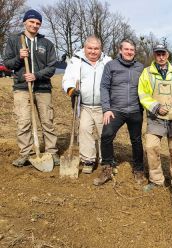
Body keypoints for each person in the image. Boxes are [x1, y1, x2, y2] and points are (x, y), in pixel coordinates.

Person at [3, 9, 59, 167]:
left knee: (47, 121)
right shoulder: (14, 40)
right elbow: (7, 64)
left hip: (43, 88)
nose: (35, 25)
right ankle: (25, 153)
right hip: (21, 87)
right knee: (24, 122)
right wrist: (19, 58)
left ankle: (52, 152)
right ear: (25, 22)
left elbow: (52, 67)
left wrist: (36, 75)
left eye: (38, 23)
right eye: (32, 22)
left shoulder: (47, 44)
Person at [138, 44, 172, 192]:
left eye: (163, 54)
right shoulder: (147, 73)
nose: (161, 57)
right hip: (156, 117)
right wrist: (155, 107)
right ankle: (156, 180)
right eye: (158, 54)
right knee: (151, 147)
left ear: (167, 55)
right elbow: (142, 93)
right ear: (154, 55)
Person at [94, 39, 144, 186]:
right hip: (115, 110)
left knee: (136, 140)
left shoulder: (140, 67)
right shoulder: (111, 66)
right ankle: (107, 168)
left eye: (132, 50)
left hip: (135, 110)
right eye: (126, 49)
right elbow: (104, 87)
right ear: (120, 50)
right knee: (107, 135)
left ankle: (139, 170)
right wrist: (106, 109)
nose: (129, 52)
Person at [62, 36, 112, 174]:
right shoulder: (76, 61)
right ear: (85, 48)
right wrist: (71, 89)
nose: (93, 51)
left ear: (100, 49)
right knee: (84, 131)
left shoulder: (108, 62)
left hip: (103, 106)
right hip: (84, 105)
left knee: (105, 133)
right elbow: (67, 79)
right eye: (90, 48)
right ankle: (88, 160)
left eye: (96, 48)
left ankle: (105, 160)